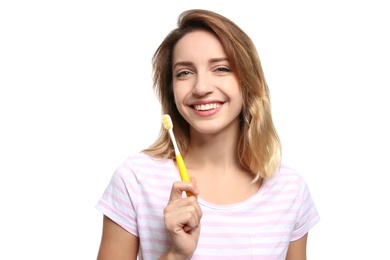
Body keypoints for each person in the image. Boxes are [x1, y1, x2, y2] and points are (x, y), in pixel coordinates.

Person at [96, 9, 320, 259]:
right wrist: (176, 255)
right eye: (184, 73)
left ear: (248, 81)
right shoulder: (135, 180)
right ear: (171, 90)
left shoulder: (290, 189)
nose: (201, 87)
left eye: (221, 69)